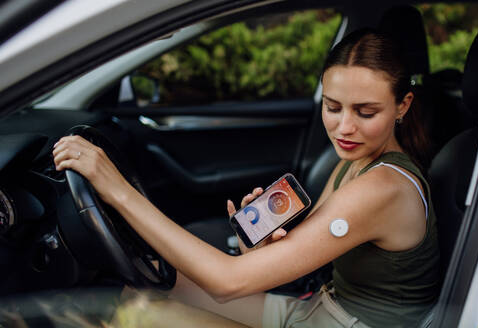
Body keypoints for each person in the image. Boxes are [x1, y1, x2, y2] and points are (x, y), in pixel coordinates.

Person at [52, 29, 440, 328]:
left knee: (138, 313)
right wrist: (256, 248)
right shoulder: (352, 163)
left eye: (366, 112)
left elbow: (227, 282)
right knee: (146, 284)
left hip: (342, 322)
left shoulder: (384, 187)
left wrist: (115, 189)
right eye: (333, 106)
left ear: (402, 105)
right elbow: (301, 258)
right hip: (318, 308)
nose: (344, 127)